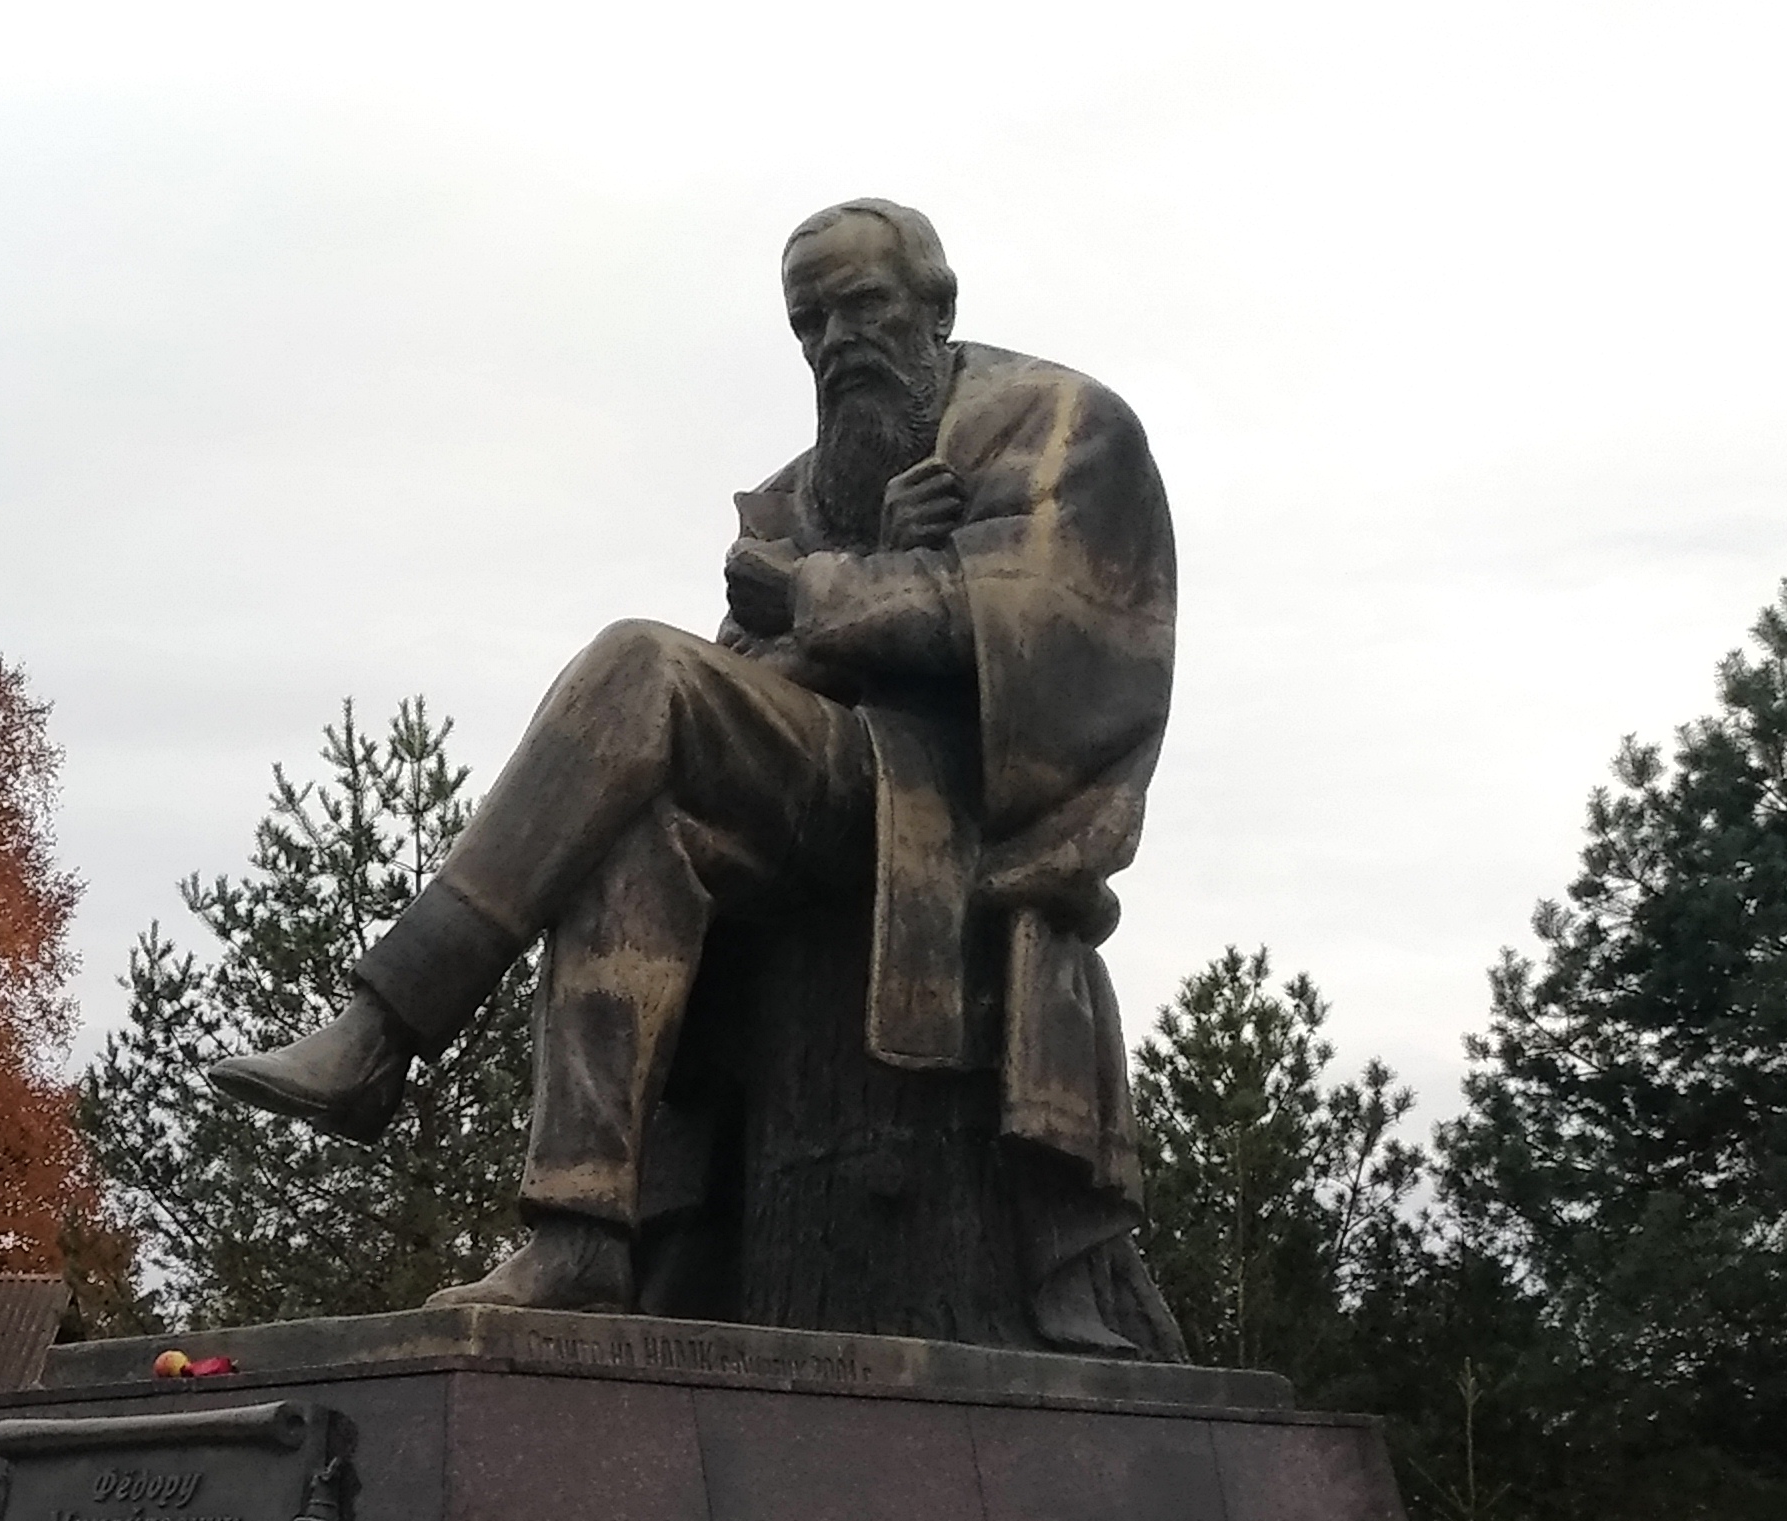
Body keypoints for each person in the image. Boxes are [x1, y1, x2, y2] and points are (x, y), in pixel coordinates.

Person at [206, 198, 1184, 1355]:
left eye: (862, 307)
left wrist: (823, 590)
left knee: (638, 660)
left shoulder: (1062, 424)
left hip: (959, 810)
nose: (835, 343)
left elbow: (1050, 638)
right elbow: (743, 680)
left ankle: (382, 1029)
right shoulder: (802, 491)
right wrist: (865, 569)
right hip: (829, 791)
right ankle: (579, 1233)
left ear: (938, 305)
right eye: (809, 322)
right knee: (634, 824)